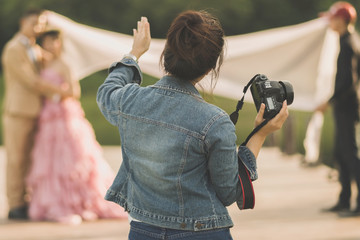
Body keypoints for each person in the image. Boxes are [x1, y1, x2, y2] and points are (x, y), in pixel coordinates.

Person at [97, 11, 288, 239]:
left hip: (142, 231)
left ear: (167, 53)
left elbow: (107, 91)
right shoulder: (215, 122)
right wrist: (260, 134)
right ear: (210, 68)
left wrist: (134, 53)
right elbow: (230, 193)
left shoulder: (129, 102)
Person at [25, 29, 128, 224]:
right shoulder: (44, 62)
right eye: (47, 42)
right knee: (50, 159)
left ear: (60, 43)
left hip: (64, 115)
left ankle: (77, 201)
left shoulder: (65, 64)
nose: (51, 45)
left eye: (54, 41)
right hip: (48, 117)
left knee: (71, 159)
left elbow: (74, 91)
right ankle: (52, 200)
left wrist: (50, 90)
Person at [1, 9, 72, 220]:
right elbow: (30, 80)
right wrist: (61, 91)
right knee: (16, 159)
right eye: (34, 23)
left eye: (41, 24)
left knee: (32, 159)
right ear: (23, 21)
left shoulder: (34, 48)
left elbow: (55, 61)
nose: (38, 28)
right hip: (18, 111)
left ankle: (27, 199)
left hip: (38, 112)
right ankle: (15, 205)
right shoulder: (14, 49)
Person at [317, 2, 360, 216]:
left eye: (332, 18)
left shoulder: (349, 43)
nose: (330, 22)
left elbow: (349, 82)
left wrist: (329, 101)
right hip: (343, 107)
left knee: (351, 155)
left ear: (342, 20)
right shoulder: (345, 40)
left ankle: (358, 205)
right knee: (341, 154)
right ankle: (344, 201)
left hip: (347, 107)